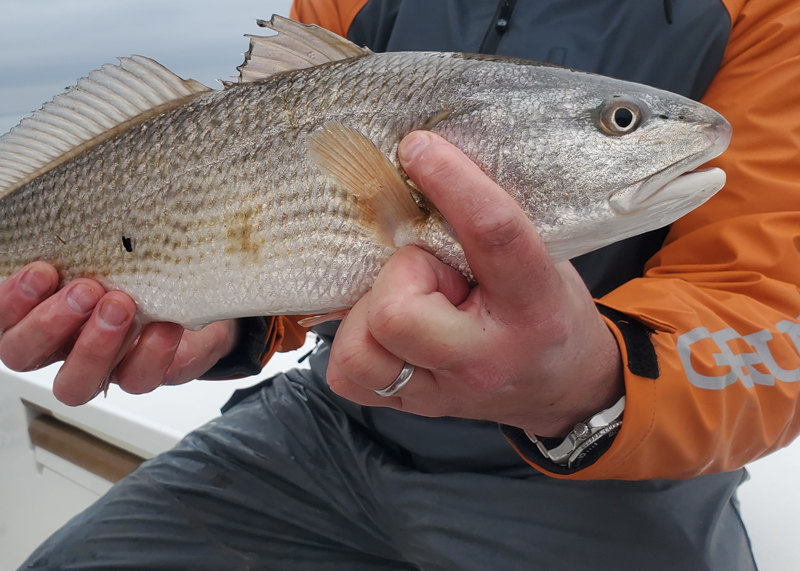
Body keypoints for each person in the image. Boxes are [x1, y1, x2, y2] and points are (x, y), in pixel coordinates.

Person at [6, 0, 800, 568]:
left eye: (613, 120)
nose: (645, 131)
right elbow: (247, 188)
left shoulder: (762, 15)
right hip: (332, 421)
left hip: (603, 476)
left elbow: (762, 299)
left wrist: (581, 380)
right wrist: (224, 321)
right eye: (619, 121)